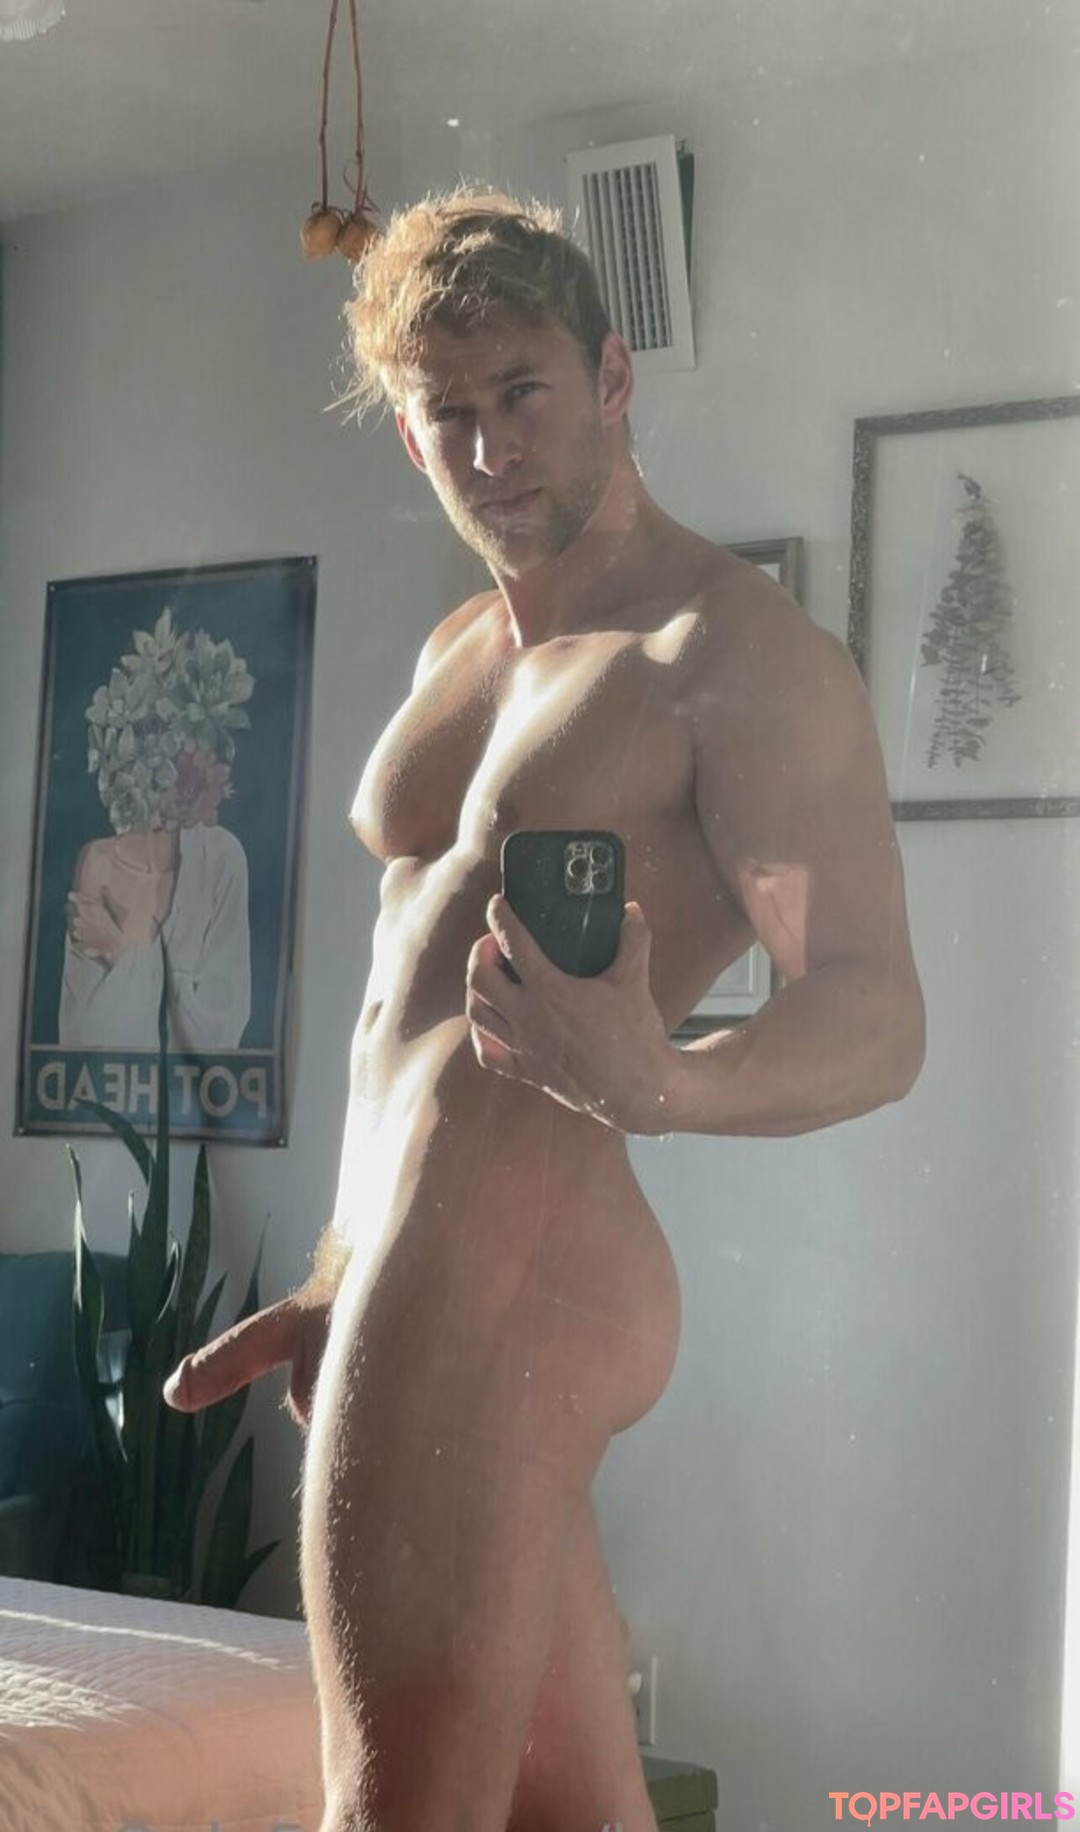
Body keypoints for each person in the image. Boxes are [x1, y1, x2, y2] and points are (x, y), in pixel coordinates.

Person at [164, 192, 925, 1831]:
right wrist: (344, 1271)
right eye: (447, 413)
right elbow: (405, 1009)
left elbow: (876, 1013)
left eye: (522, 391)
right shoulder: (463, 646)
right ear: (410, 436)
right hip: (431, 1265)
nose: (490, 447)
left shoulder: (733, 654)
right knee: (569, 1811)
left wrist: (665, 1081)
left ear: (612, 375)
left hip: (519, 1259)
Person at [60, 608, 254, 1051]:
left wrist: (121, 951)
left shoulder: (222, 860)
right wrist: (153, 975)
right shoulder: (98, 863)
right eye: (146, 735)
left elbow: (218, 1032)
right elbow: (84, 1040)